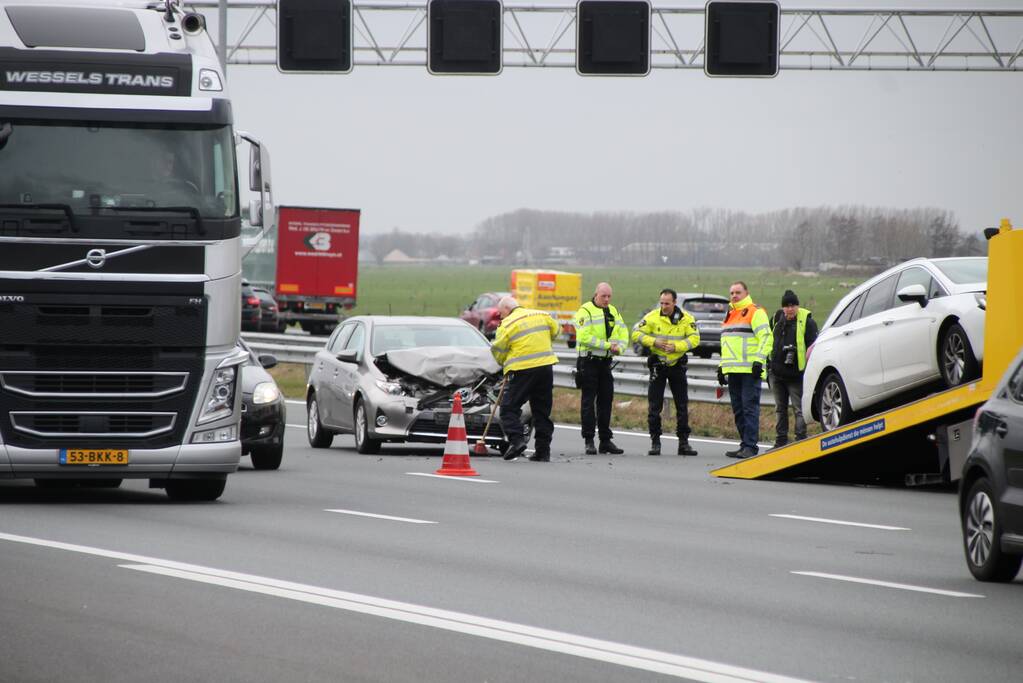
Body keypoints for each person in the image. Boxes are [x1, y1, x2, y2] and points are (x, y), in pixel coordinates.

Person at [490, 296, 561, 462]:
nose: (501, 317)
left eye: (500, 314)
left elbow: (498, 351)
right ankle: (543, 452)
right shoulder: (541, 314)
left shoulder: (506, 324)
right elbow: (556, 331)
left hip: (523, 371)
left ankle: (517, 441)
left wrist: (504, 364)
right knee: (542, 411)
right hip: (545, 368)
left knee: (508, 408)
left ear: (507, 309)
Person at [632, 289, 700, 456]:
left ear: (674, 302)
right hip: (658, 365)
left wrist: (677, 346)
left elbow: (695, 339)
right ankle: (655, 442)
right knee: (654, 406)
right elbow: (635, 334)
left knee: (682, 405)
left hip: (677, 365)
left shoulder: (686, 319)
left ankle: (683, 443)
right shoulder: (652, 316)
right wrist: (653, 342)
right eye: (661, 303)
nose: (663, 306)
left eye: (667, 303)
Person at [716, 281, 773, 459]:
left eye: (737, 292)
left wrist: (758, 361)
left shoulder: (755, 312)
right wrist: (721, 367)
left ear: (746, 293)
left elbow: (766, 337)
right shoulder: (730, 314)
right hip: (733, 371)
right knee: (738, 410)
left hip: (750, 371)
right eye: (731, 292)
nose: (734, 295)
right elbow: (726, 345)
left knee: (749, 409)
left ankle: (750, 446)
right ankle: (744, 445)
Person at [575, 282, 630, 455]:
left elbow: (623, 332)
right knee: (588, 402)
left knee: (606, 401)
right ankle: (589, 440)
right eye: (603, 296)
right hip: (589, 362)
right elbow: (583, 336)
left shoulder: (613, 311)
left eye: (609, 296)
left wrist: (619, 348)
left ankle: (605, 440)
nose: (606, 299)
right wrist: (607, 345)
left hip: (605, 363)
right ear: (596, 294)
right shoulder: (585, 311)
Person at [768, 290, 818, 448]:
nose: (789, 309)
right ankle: (780, 441)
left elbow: (813, 348)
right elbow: (768, 342)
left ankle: (800, 441)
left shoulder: (807, 322)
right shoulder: (776, 319)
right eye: (786, 306)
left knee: (799, 409)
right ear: (782, 307)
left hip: (796, 374)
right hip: (776, 373)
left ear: (797, 306)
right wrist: (768, 366)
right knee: (779, 409)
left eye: (793, 305)